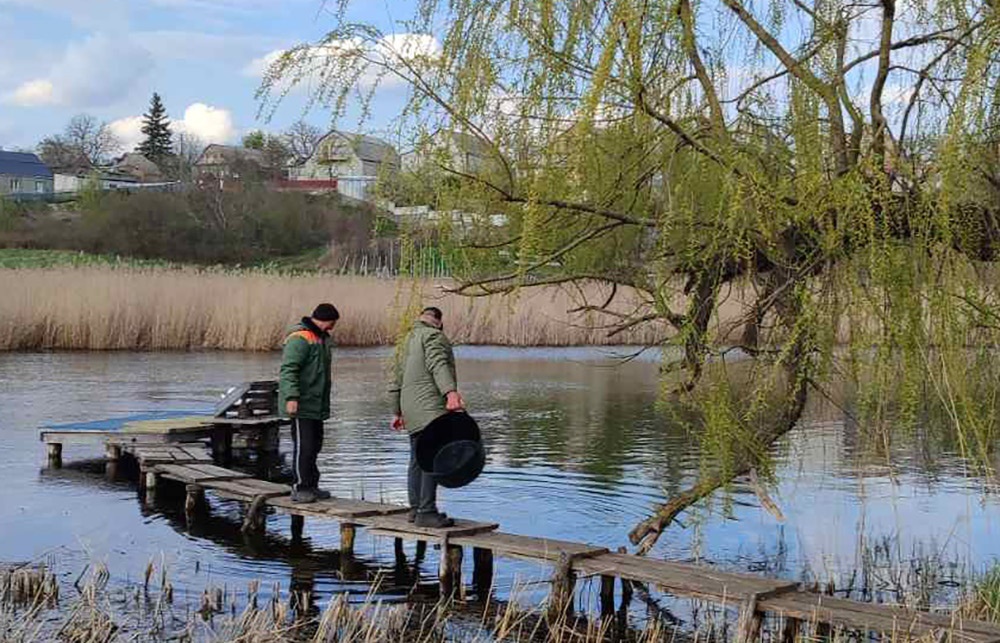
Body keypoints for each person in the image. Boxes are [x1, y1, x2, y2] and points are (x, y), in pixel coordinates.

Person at [390, 306, 465, 528]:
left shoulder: (407, 341)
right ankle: (427, 511)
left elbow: (396, 380)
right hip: (430, 408)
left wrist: (396, 411)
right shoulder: (434, 336)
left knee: (416, 458)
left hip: (410, 409)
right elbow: (438, 364)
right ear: (439, 322)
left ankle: (415, 510)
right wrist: (450, 393)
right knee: (432, 457)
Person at [279, 303, 339, 503]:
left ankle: (312, 485)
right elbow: (288, 370)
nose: (332, 327)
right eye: (332, 323)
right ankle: (300, 487)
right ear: (325, 320)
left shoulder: (322, 338)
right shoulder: (300, 338)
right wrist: (291, 397)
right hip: (301, 403)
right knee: (304, 446)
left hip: (316, 404)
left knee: (314, 446)